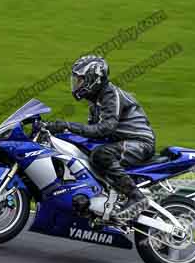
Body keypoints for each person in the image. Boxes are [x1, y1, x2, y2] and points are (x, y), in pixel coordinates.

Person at [47, 55, 155, 221]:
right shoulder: (96, 101)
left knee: (101, 155)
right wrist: (59, 132)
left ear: (94, 79)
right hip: (122, 141)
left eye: (80, 80)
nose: (77, 84)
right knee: (84, 150)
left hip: (140, 143)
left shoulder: (111, 95)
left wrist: (68, 126)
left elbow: (105, 128)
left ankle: (137, 198)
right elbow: (91, 133)